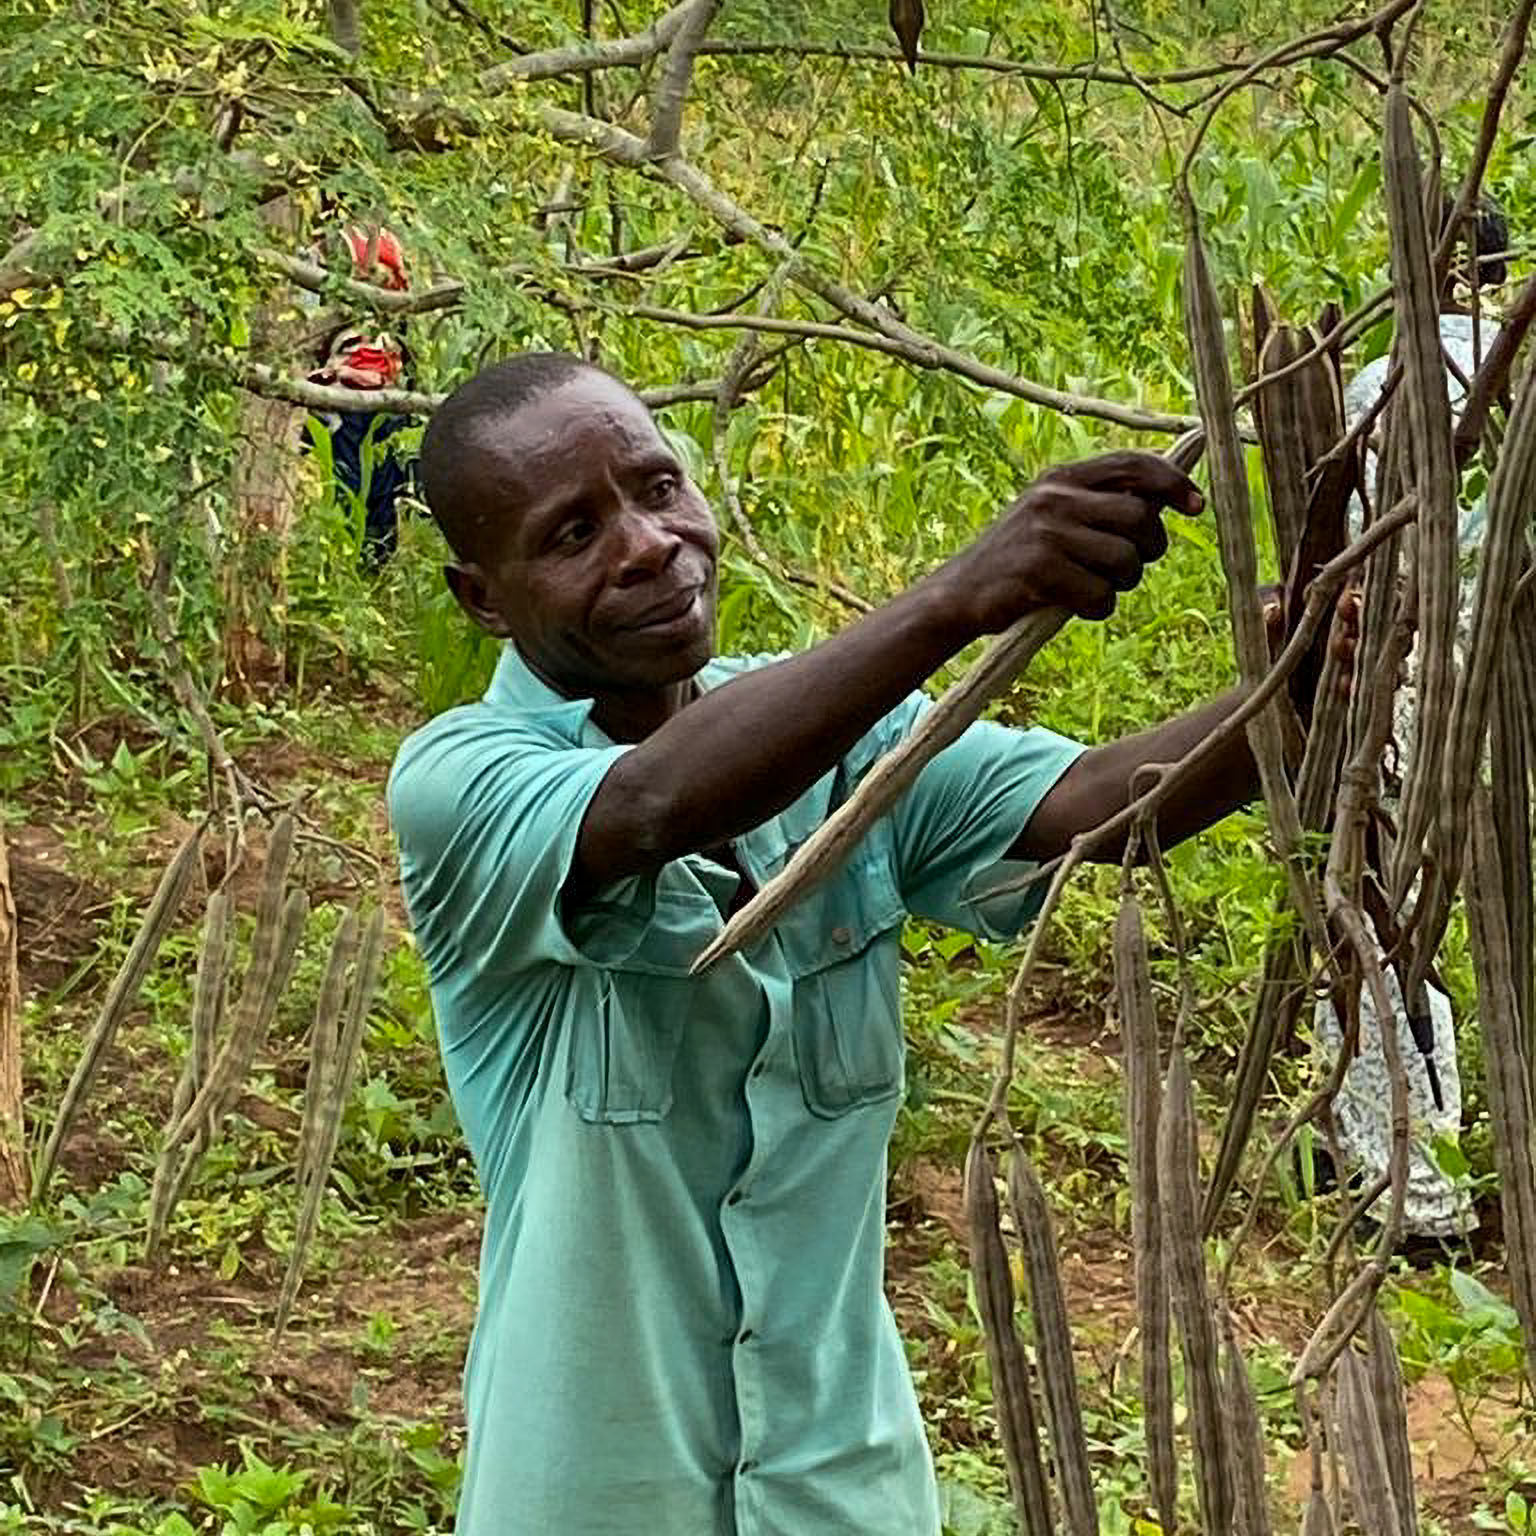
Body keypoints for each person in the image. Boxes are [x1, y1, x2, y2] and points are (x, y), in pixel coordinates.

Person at [387, 352, 1343, 1536]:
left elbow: (1092, 804)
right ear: (483, 598)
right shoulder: (458, 784)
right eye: (572, 534)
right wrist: (958, 595)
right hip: (591, 1495)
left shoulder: (841, 739)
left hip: (843, 1494)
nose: (647, 544)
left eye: (658, 487)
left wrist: (1294, 696)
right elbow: (650, 804)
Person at [1316, 194, 1514, 1244]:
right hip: (1506, 684)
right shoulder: (1514, 374)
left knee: (1388, 911)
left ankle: (1408, 1183)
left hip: (1403, 672)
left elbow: (1354, 545)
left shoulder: (1376, 383)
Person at [305, 225, 417, 565]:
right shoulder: (337, 243)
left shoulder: (368, 243)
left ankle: (368, 561)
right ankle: (352, 558)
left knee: (370, 486)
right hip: (350, 403)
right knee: (351, 484)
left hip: (370, 405)